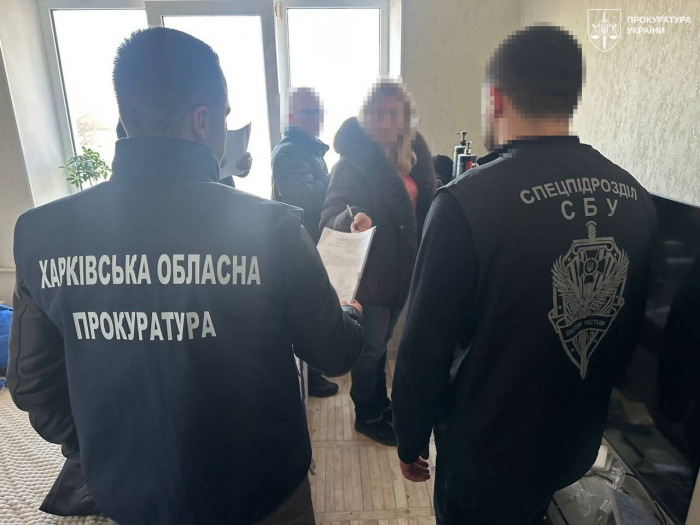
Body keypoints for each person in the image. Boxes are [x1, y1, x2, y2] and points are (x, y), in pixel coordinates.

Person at [7, 27, 364, 525]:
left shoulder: (41, 234)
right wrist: (349, 311)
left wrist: (105, 447)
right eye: (224, 117)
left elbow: (32, 385)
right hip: (260, 493)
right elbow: (334, 352)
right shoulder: (271, 228)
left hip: (131, 499)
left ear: (127, 115)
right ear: (203, 121)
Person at [392, 25, 657, 525]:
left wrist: (409, 438)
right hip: (573, 447)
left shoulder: (465, 203)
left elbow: (423, 348)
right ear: (571, 97)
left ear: (495, 98)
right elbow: (628, 335)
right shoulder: (636, 198)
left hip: (486, 456)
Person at [320, 79, 436, 446]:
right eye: (379, 113)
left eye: (394, 113)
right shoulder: (352, 163)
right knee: (369, 350)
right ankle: (367, 415)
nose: (387, 122)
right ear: (366, 117)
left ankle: (381, 403)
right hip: (370, 273)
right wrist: (353, 217)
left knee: (382, 342)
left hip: (403, 272)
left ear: (405, 117)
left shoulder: (412, 158)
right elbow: (332, 211)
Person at [271, 87, 338, 397]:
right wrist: (334, 176)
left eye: (318, 111)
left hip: (310, 241)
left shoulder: (307, 150)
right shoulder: (288, 153)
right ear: (292, 116)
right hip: (299, 245)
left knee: (313, 308)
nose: (316, 118)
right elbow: (303, 200)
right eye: (309, 112)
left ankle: (314, 373)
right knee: (307, 311)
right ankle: (310, 377)